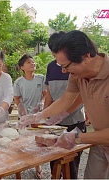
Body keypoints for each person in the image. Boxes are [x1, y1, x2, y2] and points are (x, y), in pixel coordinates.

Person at [19, 30, 109, 179]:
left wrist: (77, 138)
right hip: (100, 144)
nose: (63, 71)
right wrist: (39, 115)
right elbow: (65, 100)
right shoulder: (77, 74)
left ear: (86, 56)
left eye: (66, 66)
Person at [45, 31, 86, 179]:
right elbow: (49, 94)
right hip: (55, 126)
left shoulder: (77, 66)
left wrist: (65, 112)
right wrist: (44, 116)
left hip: (75, 122)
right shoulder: (52, 67)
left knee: (72, 166)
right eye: (54, 54)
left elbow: (80, 96)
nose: (57, 58)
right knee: (54, 163)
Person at [13, 54, 46, 179]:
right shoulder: (19, 82)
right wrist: (21, 110)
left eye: (33, 62)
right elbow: (16, 98)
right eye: (29, 62)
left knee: (37, 141)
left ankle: (38, 166)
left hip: (38, 116)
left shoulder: (41, 78)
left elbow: (45, 94)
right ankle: (20, 168)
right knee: (22, 141)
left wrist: (41, 102)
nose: (33, 64)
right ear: (22, 67)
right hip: (24, 116)